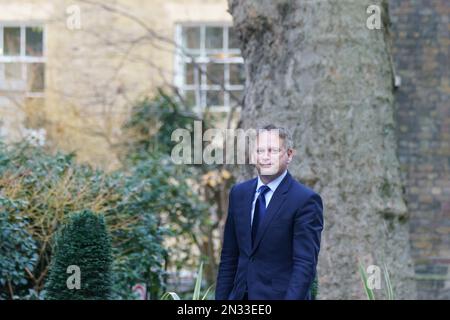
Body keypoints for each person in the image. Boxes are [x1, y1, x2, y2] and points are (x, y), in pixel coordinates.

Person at [215, 124, 324, 300]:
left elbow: (305, 265)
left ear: (289, 155)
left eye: (273, 151)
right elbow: (229, 256)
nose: (265, 157)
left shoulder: (305, 200)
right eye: (260, 151)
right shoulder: (238, 194)